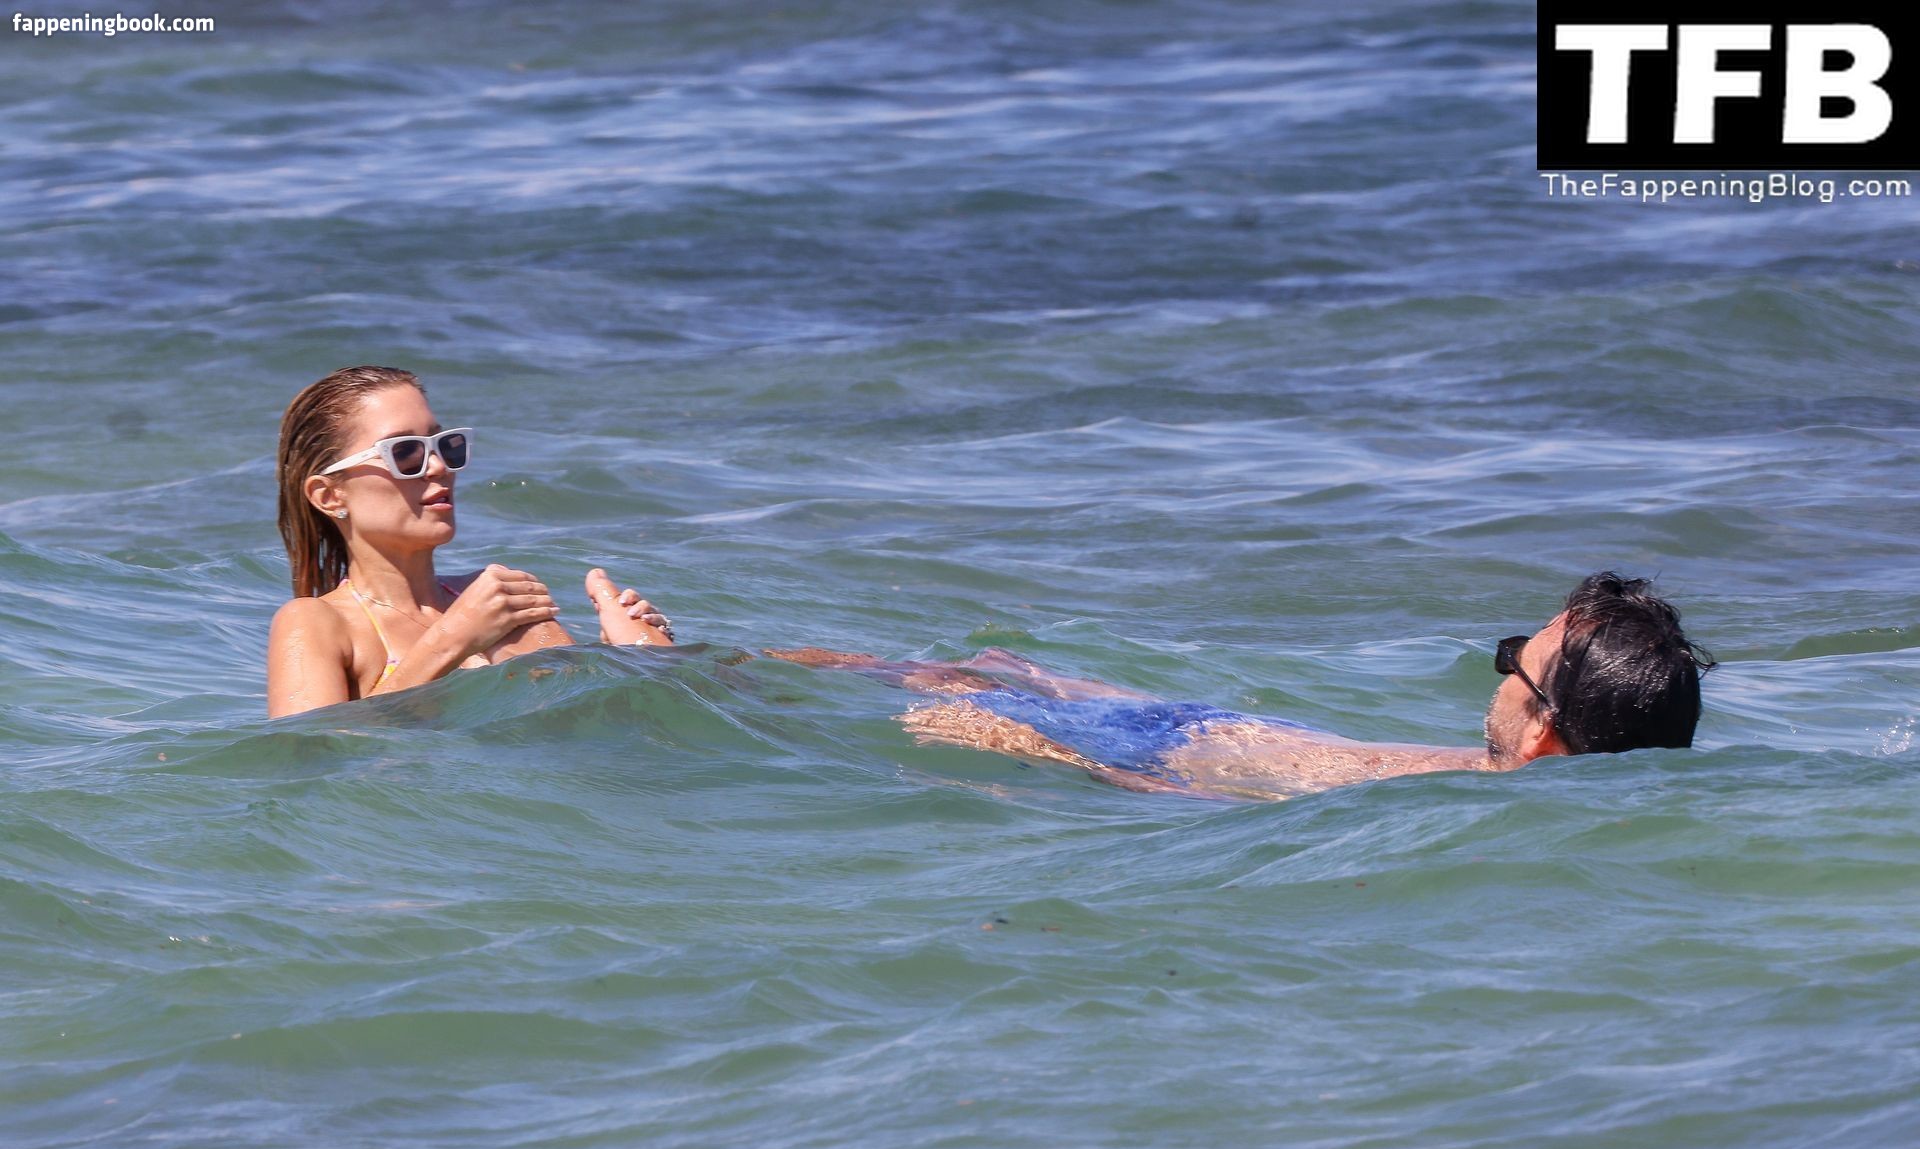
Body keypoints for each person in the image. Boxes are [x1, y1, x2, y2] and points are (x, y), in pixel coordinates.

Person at [731, 573, 1715, 799]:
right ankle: (693, 659)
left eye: (1513, 665)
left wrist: (1053, 757)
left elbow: (1218, 808)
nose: (1497, 676)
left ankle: (687, 664)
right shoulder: (1487, 784)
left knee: (949, 696)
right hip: (1197, 725)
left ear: (1543, 730)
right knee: (991, 668)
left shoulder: (1451, 800)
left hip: (1158, 753)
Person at [266, 365, 675, 718]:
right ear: (329, 496)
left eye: (446, 445)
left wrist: (633, 659)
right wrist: (454, 639)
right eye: (405, 453)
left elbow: (582, 726)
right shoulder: (318, 623)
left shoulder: (500, 598)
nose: (439, 466)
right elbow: (308, 758)